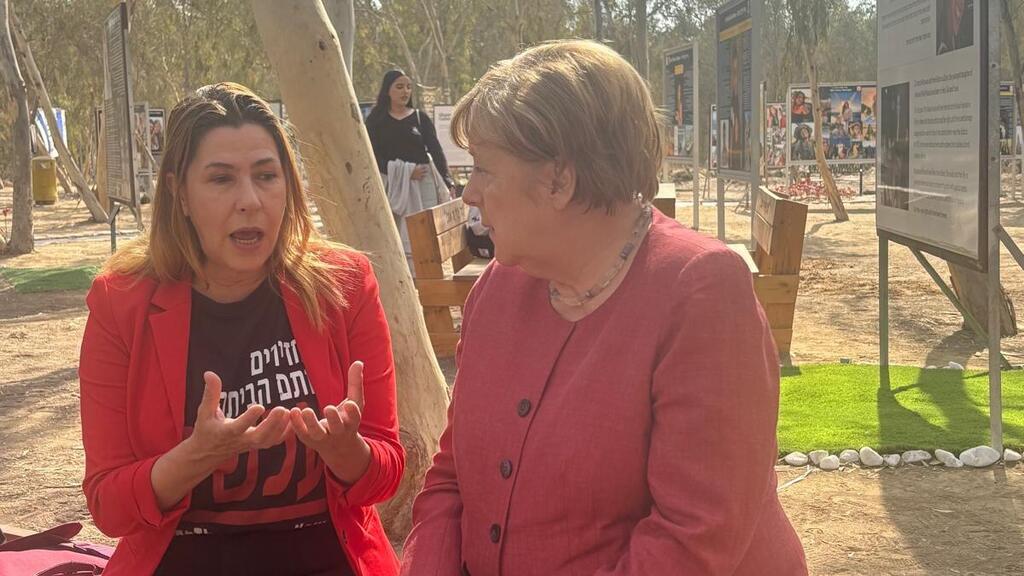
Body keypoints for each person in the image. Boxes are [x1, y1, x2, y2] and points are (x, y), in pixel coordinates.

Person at [400, 40, 806, 575]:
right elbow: (452, 475)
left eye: (483, 169)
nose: (469, 193)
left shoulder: (700, 291)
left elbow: (692, 538)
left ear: (559, 180)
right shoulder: (498, 288)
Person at [79, 82, 405, 576]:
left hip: (325, 555)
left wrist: (349, 453)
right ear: (179, 194)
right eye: (221, 179)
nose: (250, 200)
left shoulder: (345, 285)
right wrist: (196, 456)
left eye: (266, 176)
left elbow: (386, 472)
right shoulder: (121, 302)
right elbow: (109, 505)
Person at [366, 70, 454, 271]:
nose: (405, 91)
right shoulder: (376, 121)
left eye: (408, 87)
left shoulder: (420, 118)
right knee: (397, 232)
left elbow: (435, 150)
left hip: (424, 185)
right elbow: (372, 155)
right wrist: (405, 173)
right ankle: (403, 274)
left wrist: (447, 180)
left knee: (426, 231)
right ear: (387, 90)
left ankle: (428, 274)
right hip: (393, 187)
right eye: (399, 87)